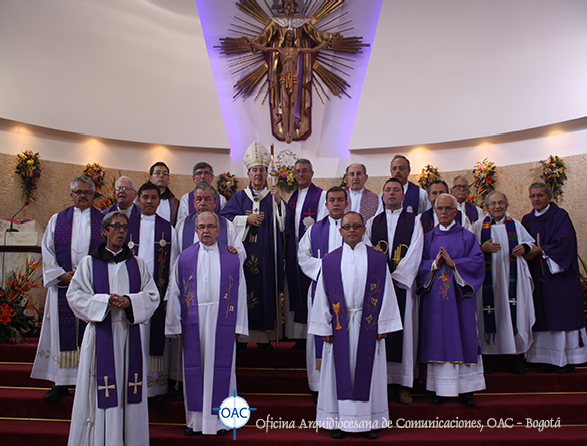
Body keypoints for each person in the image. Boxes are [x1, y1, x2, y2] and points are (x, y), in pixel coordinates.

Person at [66, 211, 159, 446]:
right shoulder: (89, 263)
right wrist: (104, 302)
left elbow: (152, 296)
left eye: (124, 227)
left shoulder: (137, 264)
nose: (121, 231)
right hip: (101, 334)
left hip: (129, 334)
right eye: (116, 226)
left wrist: (130, 302)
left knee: (129, 391)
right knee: (102, 389)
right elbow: (74, 296)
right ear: (105, 231)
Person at [308, 212, 402, 439]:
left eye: (356, 226)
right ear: (340, 231)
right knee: (337, 373)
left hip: (368, 325)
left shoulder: (377, 259)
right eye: (347, 226)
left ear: (363, 230)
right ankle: (337, 421)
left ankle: (368, 422)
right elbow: (322, 295)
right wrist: (324, 326)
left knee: (369, 374)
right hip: (339, 326)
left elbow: (387, 292)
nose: (352, 230)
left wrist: (384, 324)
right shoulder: (329, 261)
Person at [166, 212, 248, 436]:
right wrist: (175, 324)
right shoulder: (184, 258)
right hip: (194, 321)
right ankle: (195, 421)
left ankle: (222, 422)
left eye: (211, 226)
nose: (206, 231)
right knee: (195, 370)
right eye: (201, 227)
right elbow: (175, 292)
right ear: (196, 231)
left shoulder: (231, 258)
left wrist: (239, 325)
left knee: (222, 370)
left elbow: (240, 292)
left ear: (218, 231)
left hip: (223, 321)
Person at [31, 176, 104, 402]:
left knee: (91, 334)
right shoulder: (57, 220)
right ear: (71, 194)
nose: (83, 196)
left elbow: (107, 250)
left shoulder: (103, 220)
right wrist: (61, 274)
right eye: (78, 192)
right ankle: (60, 382)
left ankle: (89, 380)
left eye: (87, 192)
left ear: (93, 195)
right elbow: (47, 250)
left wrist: (90, 276)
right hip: (63, 285)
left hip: (91, 287)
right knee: (60, 333)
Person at [417, 194, 485, 406]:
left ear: (456, 212)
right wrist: (434, 264)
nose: (444, 212)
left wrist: (454, 263)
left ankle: (467, 389)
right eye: (440, 209)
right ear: (435, 211)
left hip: (460, 300)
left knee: (464, 335)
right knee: (437, 337)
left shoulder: (467, 237)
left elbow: (477, 262)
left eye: (448, 208)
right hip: (435, 303)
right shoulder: (427, 238)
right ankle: (440, 388)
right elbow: (418, 265)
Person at [220, 141, 287, 348]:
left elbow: (284, 225)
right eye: (254, 170)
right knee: (243, 292)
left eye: (262, 170)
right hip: (244, 257)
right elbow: (224, 220)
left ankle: (266, 338)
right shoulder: (239, 197)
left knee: (266, 292)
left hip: (267, 258)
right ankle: (242, 336)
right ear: (248, 174)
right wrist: (245, 220)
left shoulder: (273, 197)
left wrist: (279, 202)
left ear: (267, 174)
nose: (258, 173)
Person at [366, 178, 424, 405]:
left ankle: (403, 385)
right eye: (388, 190)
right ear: (383, 195)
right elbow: (366, 250)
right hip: (378, 287)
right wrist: (383, 277)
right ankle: (381, 384)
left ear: (403, 196)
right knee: (380, 333)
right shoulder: (372, 222)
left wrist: (397, 279)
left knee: (405, 334)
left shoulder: (414, 221)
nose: (391, 193)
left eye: (396, 190)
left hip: (403, 288)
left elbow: (416, 251)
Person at [522, 182, 587, 373]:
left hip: (559, 277)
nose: (536, 199)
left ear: (549, 197)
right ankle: (543, 359)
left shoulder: (560, 216)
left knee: (561, 313)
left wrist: (541, 250)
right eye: (533, 196)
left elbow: (566, 243)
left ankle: (565, 359)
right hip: (538, 276)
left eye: (540, 195)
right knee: (541, 313)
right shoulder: (527, 220)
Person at [126, 182, 179, 400]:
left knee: (154, 339)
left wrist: (168, 294)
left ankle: (155, 387)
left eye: (153, 197)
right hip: (131, 295)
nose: (149, 201)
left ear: (159, 201)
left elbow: (174, 264)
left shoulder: (168, 229)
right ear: (137, 199)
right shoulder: (126, 226)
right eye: (145, 197)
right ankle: (132, 384)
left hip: (158, 293)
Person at [472, 191, 536, 375]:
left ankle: (515, 358)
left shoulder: (516, 225)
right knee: (491, 316)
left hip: (512, 281)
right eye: (493, 203)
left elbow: (530, 243)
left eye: (501, 202)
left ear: (506, 205)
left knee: (513, 315)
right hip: (488, 282)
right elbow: (468, 251)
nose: (497, 206)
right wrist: (481, 248)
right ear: (487, 207)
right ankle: (490, 359)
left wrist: (524, 247)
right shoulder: (478, 226)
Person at [239, 31, 338, 143]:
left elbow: (313, 50)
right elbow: (265, 49)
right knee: (285, 102)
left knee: (292, 103)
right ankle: (287, 132)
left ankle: (290, 131)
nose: (291, 35)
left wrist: (327, 43)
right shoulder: (280, 49)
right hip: (284, 76)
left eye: (292, 34)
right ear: (285, 36)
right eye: (289, 33)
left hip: (294, 76)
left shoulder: (297, 50)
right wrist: (251, 43)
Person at [298, 186, 346, 399]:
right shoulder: (314, 230)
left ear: (346, 203)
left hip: (348, 291)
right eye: (332, 200)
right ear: (326, 204)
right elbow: (302, 256)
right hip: (320, 289)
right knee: (319, 333)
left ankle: (343, 381)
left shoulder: (354, 227)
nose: (336, 204)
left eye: (340, 200)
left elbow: (364, 252)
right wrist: (326, 268)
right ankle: (318, 385)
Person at [284, 159, 327, 349]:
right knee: (295, 290)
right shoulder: (292, 197)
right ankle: (297, 335)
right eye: (297, 171)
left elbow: (323, 223)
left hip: (312, 252)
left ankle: (312, 333)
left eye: (304, 171)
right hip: (294, 251)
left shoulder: (321, 195)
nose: (301, 174)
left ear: (312, 173)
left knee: (310, 292)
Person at [176, 183, 246, 261]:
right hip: (190, 268)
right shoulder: (182, 225)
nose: (202, 203)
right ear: (194, 203)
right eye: (199, 199)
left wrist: (235, 253)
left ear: (215, 203)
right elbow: (174, 256)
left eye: (207, 199)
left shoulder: (228, 226)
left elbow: (241, 253)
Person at [149, 162, 179, 226]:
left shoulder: (175, 203)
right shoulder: (140, 200)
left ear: (168, 179)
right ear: (150, 178)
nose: (161, 175)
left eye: (165, 173)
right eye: (158, 173)